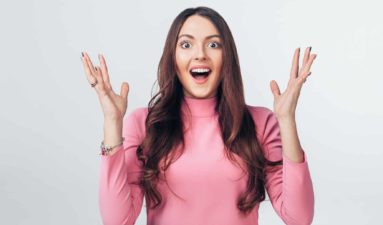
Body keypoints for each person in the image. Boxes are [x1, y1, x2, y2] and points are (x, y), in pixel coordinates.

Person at [81, 6, 316, 225]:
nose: (200, 55)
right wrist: (112, 123)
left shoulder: (260, 123)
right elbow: (117, 220)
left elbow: (299, 217)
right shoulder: (145, 124)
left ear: (227, 58)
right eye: (186, 45)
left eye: (213, 45)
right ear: (173, 59)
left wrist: (286, 120)